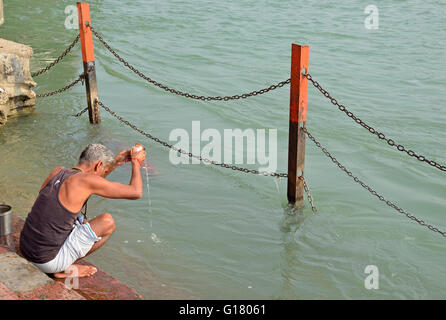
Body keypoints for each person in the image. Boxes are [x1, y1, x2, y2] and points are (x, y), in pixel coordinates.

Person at [19, 143, 146, 278]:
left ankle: (60, 261)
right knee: (107, 222)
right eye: (104, 170)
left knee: (74, 219)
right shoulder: (86, 181)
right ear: (98, 166)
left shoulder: (58, 171)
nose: (102, 175)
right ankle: (63, 268)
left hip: (25, 248)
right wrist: (136, 162)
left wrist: (114, 163)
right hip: (46, 262)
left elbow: (95, 181)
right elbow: (135, 192)